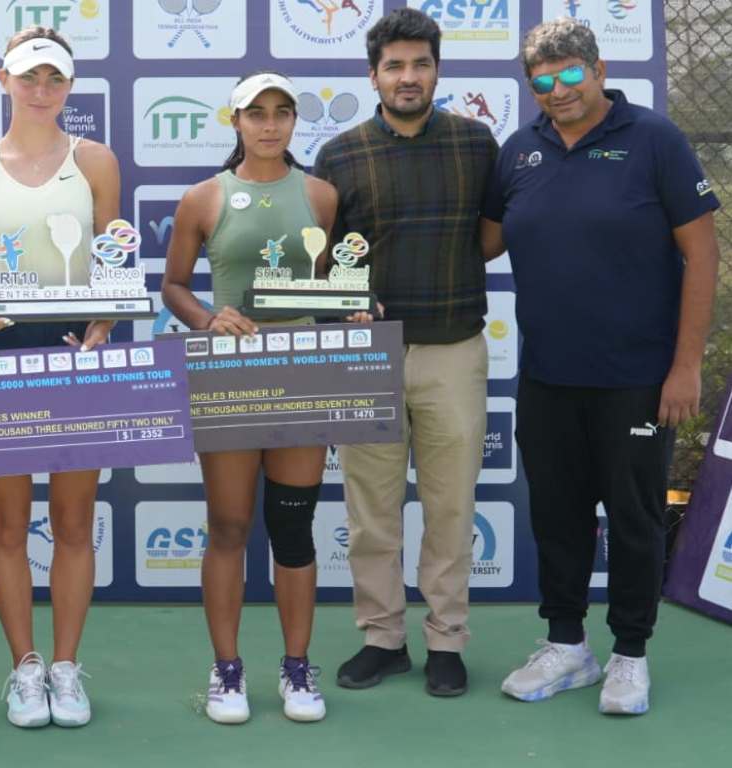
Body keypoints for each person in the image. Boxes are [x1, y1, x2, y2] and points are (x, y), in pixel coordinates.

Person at [480, 19, 720, 715]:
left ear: (599, 69)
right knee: (557, 517)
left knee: (635, 519)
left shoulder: (654, 139)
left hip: (637, 379)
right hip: (548, 376)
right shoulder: (519, 150)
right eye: (542, 81)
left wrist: (685, 366)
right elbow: (480, 243)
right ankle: (567, 645)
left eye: (569, 74)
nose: (557, 90)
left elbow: (702, 255)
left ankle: (630, 654)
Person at [312, 7, 497, 698]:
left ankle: (446, 640)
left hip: (454, 350)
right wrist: (348, 307)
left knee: (451, 508)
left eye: (421, 64)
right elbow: (326, 262)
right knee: (371, 513)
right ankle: (382, 638)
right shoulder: (340, 155)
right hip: (368, 355)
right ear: (374, 76)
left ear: (437, 70)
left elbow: (490, 237)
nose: (408, 76)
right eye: (395, 66)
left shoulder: (477, 143)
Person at [0, 26, 119, 729]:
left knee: (75, 524)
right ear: (5, 81)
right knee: (10, 526)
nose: (41, 90)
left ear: (70, 86)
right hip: (1, 357)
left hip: (77, 352)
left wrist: (105, 320)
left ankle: (66, 668)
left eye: (54, 78)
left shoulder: (96, 161)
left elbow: (111, 261)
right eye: (29, 77)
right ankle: (25, 669)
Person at [161, 71, 340, 724]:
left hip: (302, 376)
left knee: (292, 527)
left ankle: (297, 668)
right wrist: (209, 318)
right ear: (234, 120)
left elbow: (335, 284)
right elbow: (174, 286)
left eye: (282, 112)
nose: (269, 124)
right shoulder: (203, 197)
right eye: (256, 112)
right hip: (230, 378)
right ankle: (227, 670)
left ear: (294, 121)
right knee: (230, 526)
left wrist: (353, 308)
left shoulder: (321, 195)